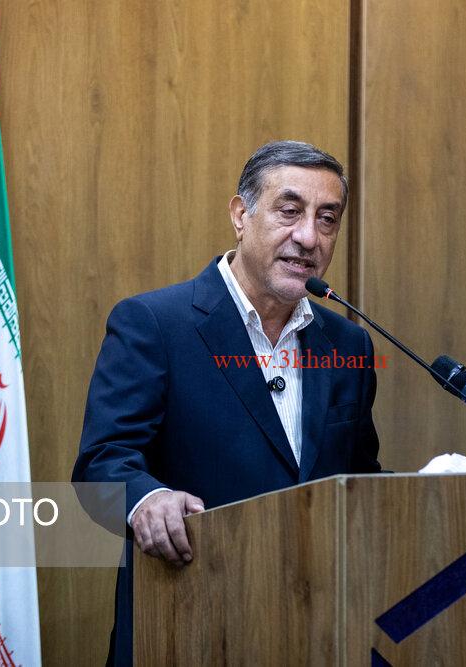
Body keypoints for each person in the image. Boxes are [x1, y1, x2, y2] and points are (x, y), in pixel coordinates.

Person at [72, 140, 383, 665]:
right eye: (289, 211)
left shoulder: (348, 344)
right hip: (186, 625)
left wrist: (438, 483)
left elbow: (358, 481)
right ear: (241, 215)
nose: (309, 237)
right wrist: (148, 499)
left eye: (327, 219)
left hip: (313, 632)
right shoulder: (156, 324)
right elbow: (100, 465)